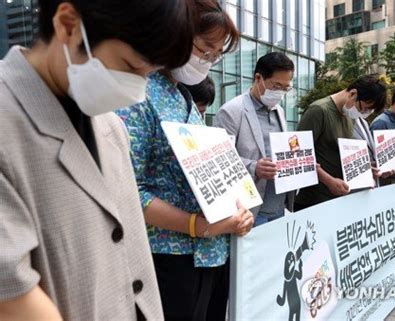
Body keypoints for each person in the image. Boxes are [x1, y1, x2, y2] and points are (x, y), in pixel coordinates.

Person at [0, 0, 196, 320]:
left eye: (150, 75)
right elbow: (10, 295)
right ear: (68, 25)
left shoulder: (110, 126)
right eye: (131, 68)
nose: (138, 91)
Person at [116, 1, 253, 320]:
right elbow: (127, 192)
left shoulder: (184, 98)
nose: (208, 60)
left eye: (216, 54)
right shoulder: (137, 95)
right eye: (205, 48)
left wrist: (238, 208)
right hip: (167, 256)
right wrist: (198, 225)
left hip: (212, 252)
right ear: (173, 33)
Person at [214, 52, 295, 226]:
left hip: (279, 207)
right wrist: (253, 167)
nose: (280, 93)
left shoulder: (279, 111)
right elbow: (218, 161)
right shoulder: (231, 111)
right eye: (276, 86)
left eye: (285, 88)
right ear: (258, 78)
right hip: (251, 209)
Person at [295, 75, 387, 210]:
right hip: (314, 201)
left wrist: (364, 168)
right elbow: (298, 155)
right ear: (353, 94)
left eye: (369, 111)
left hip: (340, 198)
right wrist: (328, 181)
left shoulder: (350, 116)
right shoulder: (319, 110)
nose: (364, 113)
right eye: (364, 108)